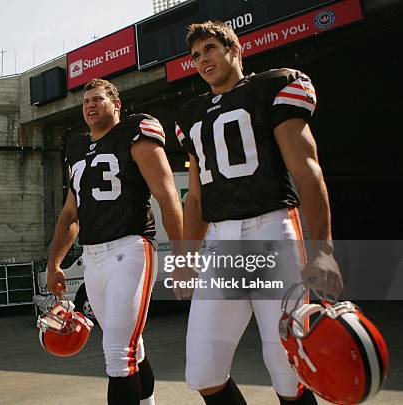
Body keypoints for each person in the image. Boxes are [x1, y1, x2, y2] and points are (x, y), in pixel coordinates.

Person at [174, 21, 344, 404]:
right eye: (196, 55)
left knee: (288, 369)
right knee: (203, 369)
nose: (203, 60)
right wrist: (185, 257)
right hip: (220, 242)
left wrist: (323, 250)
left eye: (210, 49)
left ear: (234, 49)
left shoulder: (272, 86)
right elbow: (196, 198)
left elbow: (307, 170)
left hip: (273, 231)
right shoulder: (191, 114)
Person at [47, 78, 184, 405]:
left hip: (131, 249)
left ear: (117, 104)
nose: (90, 106)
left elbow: (167, 197)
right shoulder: (77, 148)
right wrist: (54, 262)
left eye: (97, 99)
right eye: (85, 102)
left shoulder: (134, 133)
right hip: (93, 258)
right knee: (131, 348)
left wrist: (183, 257)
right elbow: (70, 213)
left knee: (117, 353)